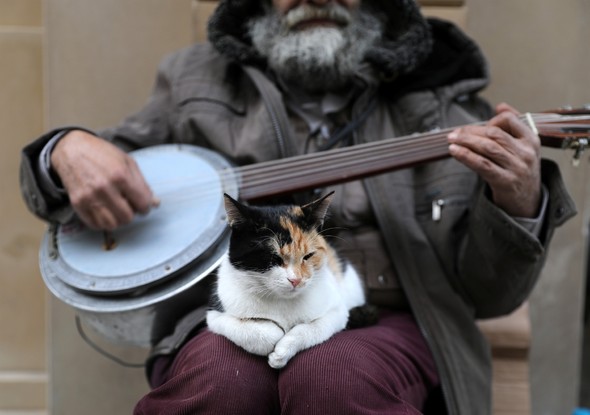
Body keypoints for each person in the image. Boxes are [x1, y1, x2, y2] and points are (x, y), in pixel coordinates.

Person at [19, 0, 576, 414]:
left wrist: (517, 199)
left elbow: (491, 294)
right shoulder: (195, 79)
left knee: (333, 377)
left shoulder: (442, 99)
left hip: (388, 318)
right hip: (237, 313)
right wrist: (63, 150)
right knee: (219, 384)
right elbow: (103, 172)